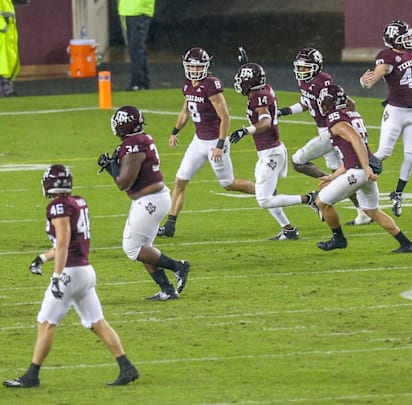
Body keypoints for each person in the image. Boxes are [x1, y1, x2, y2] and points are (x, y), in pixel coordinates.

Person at [3, 165, 139, 388]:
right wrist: (42, 257)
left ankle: (32, 376)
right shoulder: (78, 201)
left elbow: (64, 243)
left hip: (70, 273)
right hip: (85, 271)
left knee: (45, 323)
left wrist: (56, 276)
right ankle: (126, 367)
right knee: (97, 322)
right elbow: (64, 244)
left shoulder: (58, 207)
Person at [157, 47, 255, 237]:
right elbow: (185, 111)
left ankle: (264, 191)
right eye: (191, 67)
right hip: (198, 141)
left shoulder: (211, 85)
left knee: (229, 184)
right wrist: (175, 132)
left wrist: (219, 145)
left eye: (198, 66)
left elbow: (225, 117)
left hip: (214, 142)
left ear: (206, 66)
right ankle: (170, 225)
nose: (194, 70)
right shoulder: (187, 84)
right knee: (180, 181)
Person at [98, 105, 190, 300]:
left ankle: (178, 266)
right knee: (145, 248)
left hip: (149, 202)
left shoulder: (133, 145)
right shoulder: (141, 138)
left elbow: (123, 183)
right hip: (155, 198)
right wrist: (112, 164)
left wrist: (110, 165)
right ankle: (168, 290)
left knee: (132, 248)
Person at [312, 83, 412, 253]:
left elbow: (356, 141)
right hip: (361, 167)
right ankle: (406, 243)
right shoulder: (351, 114)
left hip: (360, 170)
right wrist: (333, 176)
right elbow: (349, 153)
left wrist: (366, 168)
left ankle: (338, 239)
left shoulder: (336, 119)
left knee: (322, 202)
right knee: (371, 210)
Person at [278, 47, 373, 226]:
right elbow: (306, 103)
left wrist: (344, 120)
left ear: (316, 67)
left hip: (331, 130)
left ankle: (327, 192)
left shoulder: (323, 82)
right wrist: (284, 111)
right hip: (326, 130)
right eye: (300, 67)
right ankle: (362, 211)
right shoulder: (305, 83)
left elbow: (349, 103)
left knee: (298, 161)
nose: (301, 71)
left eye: (305, 68)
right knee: (338, 170)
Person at [229, 62, 319, 240]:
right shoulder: (265, 89)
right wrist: (246, 64)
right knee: (269, 195)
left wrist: (247, 130)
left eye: (242, 79)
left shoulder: (258, 98)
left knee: (263, 200)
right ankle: (288, 230)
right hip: (267, 152)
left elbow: (265, 122)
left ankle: (309, 199)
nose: (239, 82)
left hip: (272, 153)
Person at [359, 19, 412, 217]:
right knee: (384, 151)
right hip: (396, 112)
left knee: (411, 154)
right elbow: (376, 75)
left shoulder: (411, 51)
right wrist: (365, 81)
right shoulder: (387, 58)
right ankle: (356, 175)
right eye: (406, 37)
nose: (411, 39)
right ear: (395, 40)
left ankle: (398, 193)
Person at [118, 0, 154, 91]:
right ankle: (143, 82)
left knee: (136, 49)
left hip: (138, 10)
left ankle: (138, 83)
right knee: (137, 48)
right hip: (131, 9)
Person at [0, 0, 19, 96]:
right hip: (3, 32)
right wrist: (2, 27)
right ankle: (4, 88)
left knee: (7, 59)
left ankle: (6, 86)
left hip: (8, 33)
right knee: (3, 60)